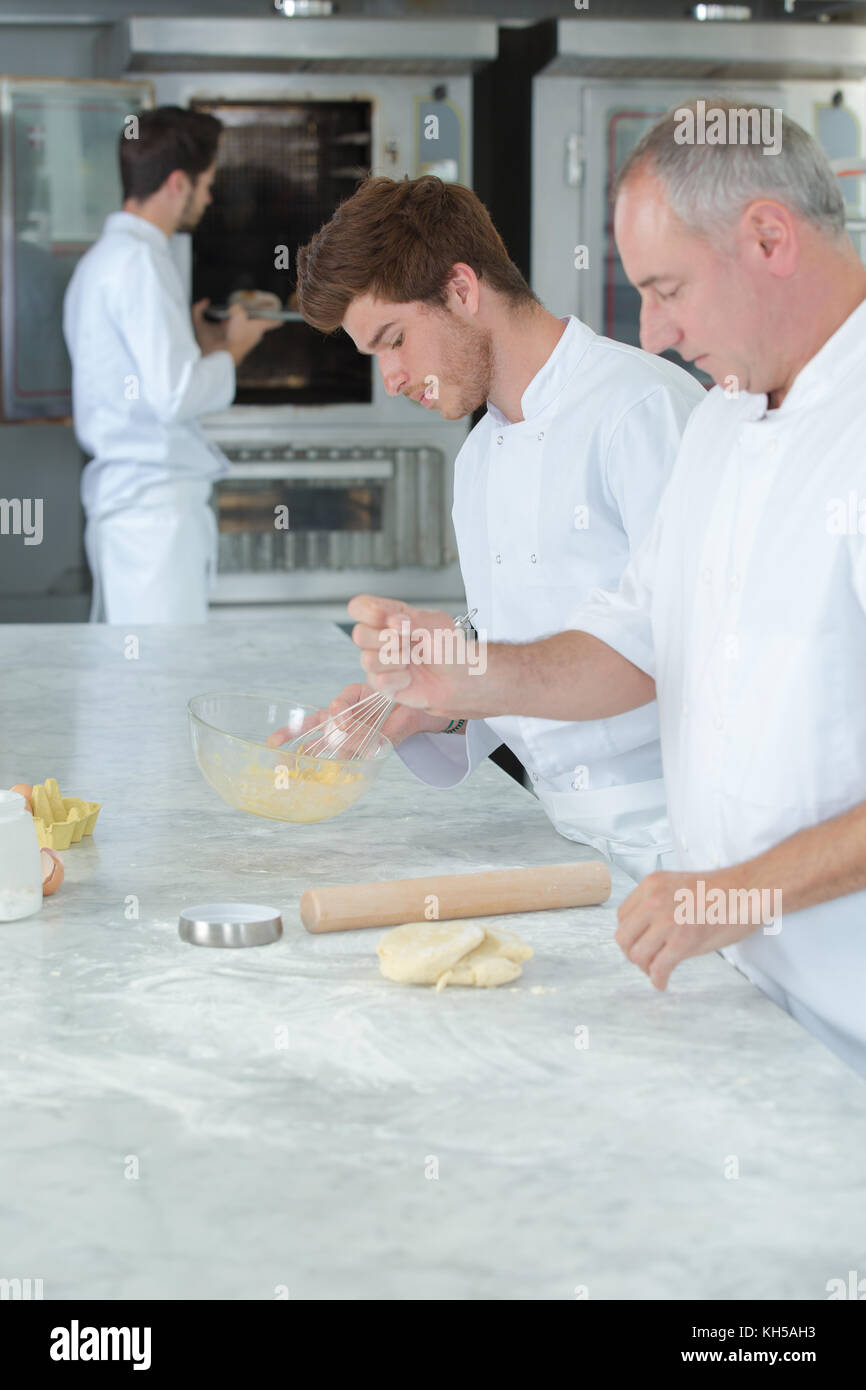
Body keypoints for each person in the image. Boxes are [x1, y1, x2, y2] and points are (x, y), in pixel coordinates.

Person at [348, 103, 866, 1077]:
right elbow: (629, 646)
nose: (655, 330)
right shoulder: (724, 420)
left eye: (666, 288)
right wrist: (452, 675)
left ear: (766, 237)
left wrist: (735, 891)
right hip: (743, 976)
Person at [290, 176, 704, 880]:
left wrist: (467, 675)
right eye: (374, 355)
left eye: (394, 340)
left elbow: (681, 651)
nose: (391, 376)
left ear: (460, 289)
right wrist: (422, 706)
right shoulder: (480, 455)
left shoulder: (641, 410)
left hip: (687, 848)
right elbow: (522, 654)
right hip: (565, 850)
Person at [63, 106, 276, 623]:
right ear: (177, 183)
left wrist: (198, 345)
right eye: (205, 185)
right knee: (158, 684)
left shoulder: (103, 261)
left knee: (139, 680)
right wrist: (236, 347)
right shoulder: (141, 263)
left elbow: (144, 379)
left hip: (133, 511)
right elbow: (174, 395)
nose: (208, 198)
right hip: (153, 515)